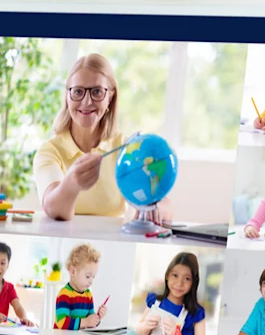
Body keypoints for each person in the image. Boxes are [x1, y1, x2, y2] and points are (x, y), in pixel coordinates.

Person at [34, 53, 173, 222]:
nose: (86, 102)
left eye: (97, 92)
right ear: (67, 96)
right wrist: (72, 183)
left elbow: (166, 208)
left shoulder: (127, 149)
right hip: (65, 247)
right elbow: (53, 208)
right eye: (78, 91)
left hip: (114, 247)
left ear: (110, 97)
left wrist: (154, 208)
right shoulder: (50, 151)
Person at [135, 252, 207, 335]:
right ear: (167, 276)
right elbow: (139, 332)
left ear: (194, 282)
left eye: (187, 278)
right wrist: (145, 326)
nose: (179, 283)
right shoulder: (154, 301)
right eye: (175, 275)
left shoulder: (196, 312)